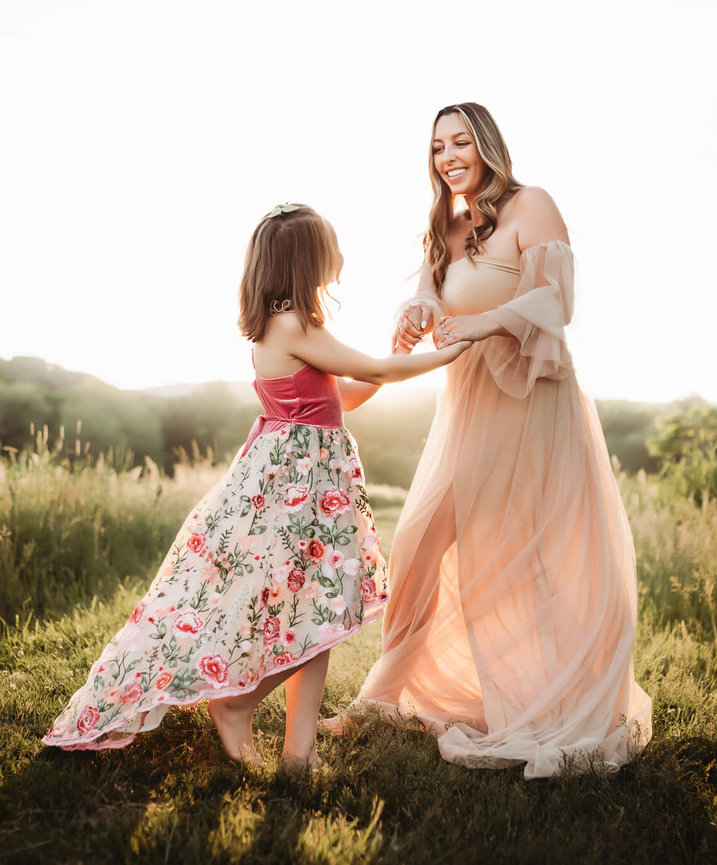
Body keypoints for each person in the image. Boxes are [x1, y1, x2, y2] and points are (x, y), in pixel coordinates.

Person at [41, 203, 471, 769]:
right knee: (324, 608)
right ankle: (238, 703)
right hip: (300, 484)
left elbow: (346, 398)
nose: (341, 254)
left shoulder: (285, 323)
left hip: (304, 479)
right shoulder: (293, 324)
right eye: (332, 245)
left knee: (316, 610)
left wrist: (399, 353)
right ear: (307, 260)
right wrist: (459, 348)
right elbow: (377, 374)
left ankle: (299, 753)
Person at [331, 103, 653, 778]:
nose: (449, 154)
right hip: (469, 405)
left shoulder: (530, 204)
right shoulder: (446, 224)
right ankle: (382, 697)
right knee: (420, 538)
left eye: (461, 141)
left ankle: (553, 695)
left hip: (532, 401)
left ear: (486, 145)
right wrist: (417, 310)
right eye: (438, 145)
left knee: (525, 552)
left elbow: (553, 304)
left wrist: (480, 325)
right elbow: (428, 294)